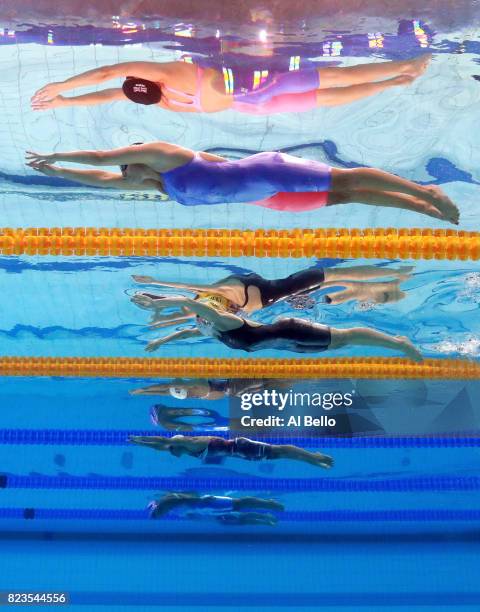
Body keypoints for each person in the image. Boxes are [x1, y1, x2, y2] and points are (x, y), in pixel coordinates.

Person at [25, 143, 459, 223]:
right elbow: (101, 179)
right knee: (343, 197)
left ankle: (425, 191)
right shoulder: (161, 186)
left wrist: (56, 154)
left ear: (138, 158)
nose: (123, 174)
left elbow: (102, 159)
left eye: (126, 167)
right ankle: (420, 209)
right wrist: (58, 173)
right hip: (267, 198)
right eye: (125, 172)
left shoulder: (164, 155)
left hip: (266, 172)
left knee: (344, 179)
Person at [31, 55, 432, 115]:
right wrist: (61, 82)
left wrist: (65, 102)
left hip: (257, 107)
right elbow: (107, 77)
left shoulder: (167, 101)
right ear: (146, 79)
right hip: (266, 84)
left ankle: (397, 82)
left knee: (327, 98)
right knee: (340, 75)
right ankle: (410, 62)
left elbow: (110, 93)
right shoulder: (170, 72)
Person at [136, 294, 423, 361]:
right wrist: (161, 342)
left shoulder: (226, 321)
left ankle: (399, 343)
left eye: (203, 313)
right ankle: (396, 343)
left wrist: (157, 302)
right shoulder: (210, 329)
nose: (198, 320)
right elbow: (188, 330)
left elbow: (191, 303)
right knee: (342, 344)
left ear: (215, 311)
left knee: (347, 337)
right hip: (289, 345)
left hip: (290, 331)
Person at [130, 265, 412, 331]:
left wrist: (155, 293)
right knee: (331, 278)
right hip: (272, 295)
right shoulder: (210, 300)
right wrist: (155, 291)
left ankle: (378, 287)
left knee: (325, 285)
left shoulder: (208, 298)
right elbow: (185, 300)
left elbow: (184, 295)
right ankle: (382, 285)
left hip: (268, 297)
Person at [129, 434, 334, 468]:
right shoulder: (185, 447)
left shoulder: (191, 444)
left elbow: (163, 442)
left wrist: (141, 439)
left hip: (242, 449)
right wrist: (141, 443)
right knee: (282, 452)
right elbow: (162, 445)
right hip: (243, 451)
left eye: (171, 450)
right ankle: (314, 459)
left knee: (284, 451)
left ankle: (315, 458)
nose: (170, 453)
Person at [148, 492, 283, 527]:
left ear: (158, 508)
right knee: (238, 512)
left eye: (159, 514)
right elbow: (189, 512)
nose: (162, 515)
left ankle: (269, 503)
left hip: (207, 504)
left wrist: (203, 499)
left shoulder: (169, 502)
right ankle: (266, 514)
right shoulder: (170, 509)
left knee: (240, 503)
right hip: (207, 511)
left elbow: (187, 498)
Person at [130, 378, 290, 400]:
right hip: (235, 390)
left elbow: (164, 389)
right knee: (270, 385)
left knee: (269, 384)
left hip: (234, 388)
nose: (191, 395)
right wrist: (143, 391)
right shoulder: (191, 389)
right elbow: (164, 390)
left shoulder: (193, 388)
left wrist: (143, 390)